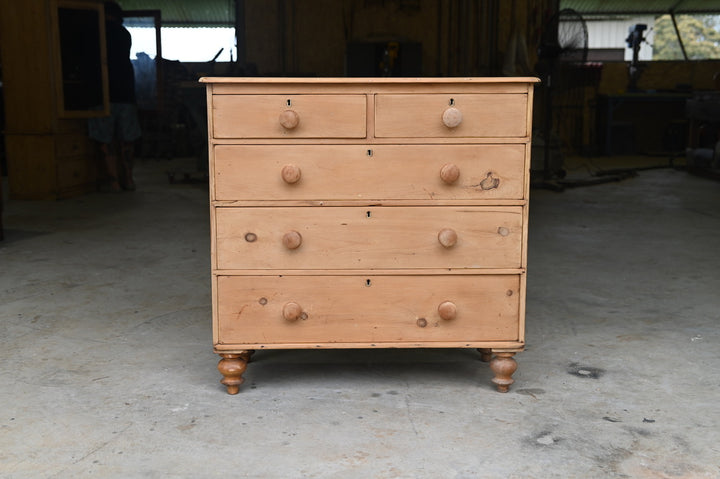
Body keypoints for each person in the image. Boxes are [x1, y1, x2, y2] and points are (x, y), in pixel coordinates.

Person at [89, 1, 141, 191]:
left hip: (103, 94)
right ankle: (128, 179)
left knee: (106, 139)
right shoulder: (124, 33)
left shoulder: (97, 33)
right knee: (127, 139)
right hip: (126, 93)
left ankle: (113, 182)